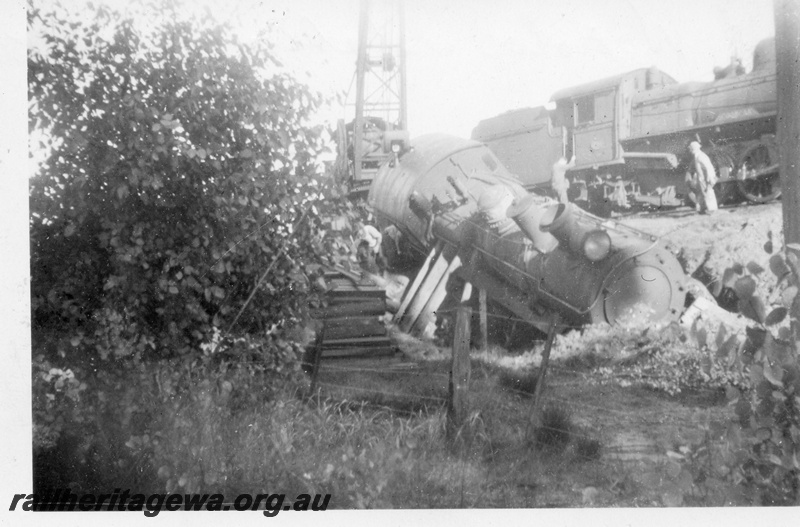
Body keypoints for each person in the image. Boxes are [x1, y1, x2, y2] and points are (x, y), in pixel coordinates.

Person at [686, 141, 718, 214]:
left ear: (693, 149)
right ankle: (701, 210)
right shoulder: (698, 155)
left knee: (708, 193)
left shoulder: (701, 156)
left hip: (705, 178)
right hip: (701, 179)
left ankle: (711, 209)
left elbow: (708, 167)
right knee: (701, 194)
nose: (690, 151)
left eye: (691, 149)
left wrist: (710, 178)